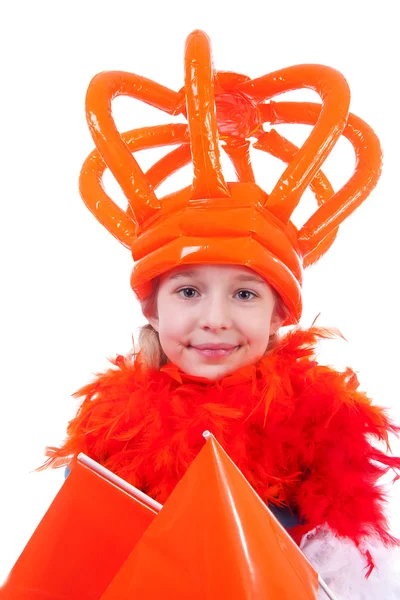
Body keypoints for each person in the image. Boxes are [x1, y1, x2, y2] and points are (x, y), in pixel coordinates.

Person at [44, 30, 400, 598]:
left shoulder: (321, 435)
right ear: (153, 310)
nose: (214, 319)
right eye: (188, 292)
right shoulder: (108, 439)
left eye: (244, 294)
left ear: (280, 314)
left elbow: (361, 580)